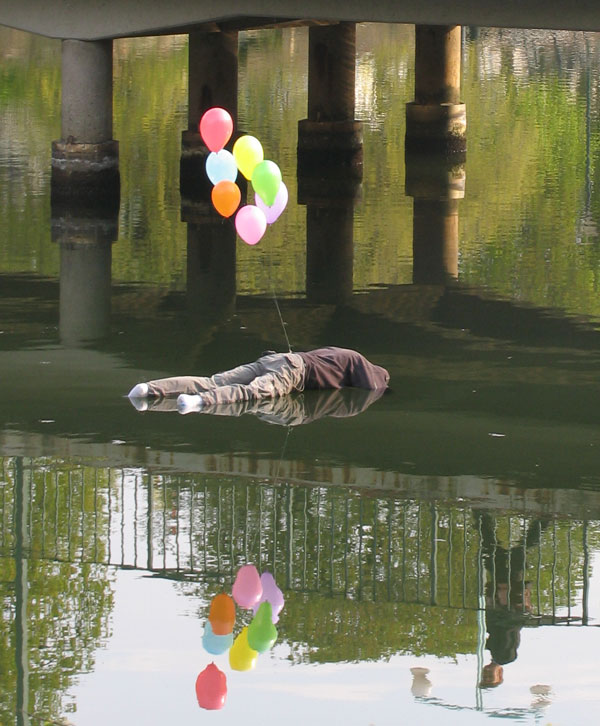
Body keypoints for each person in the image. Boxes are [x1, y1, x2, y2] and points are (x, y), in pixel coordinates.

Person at [127, 347, 390, 414]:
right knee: (250, 393)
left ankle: (149, 389)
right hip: (294, 372)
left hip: (278, 358)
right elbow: (372, 387)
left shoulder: (339, 352)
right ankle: (199, 403)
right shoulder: (359, 362)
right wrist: (385, 392)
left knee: (213, 379)